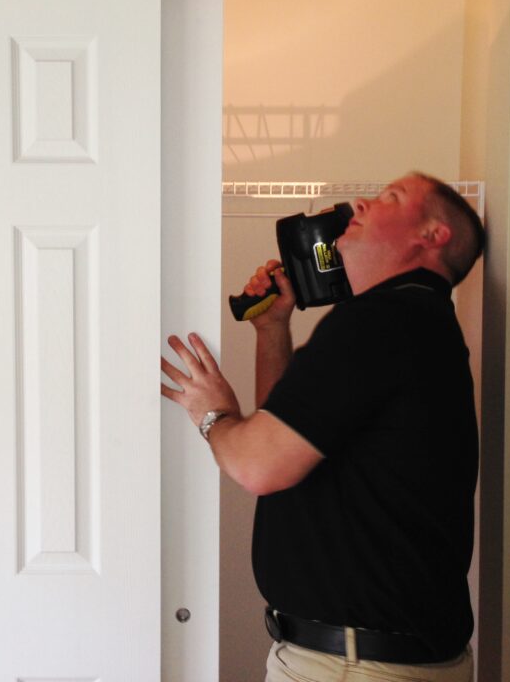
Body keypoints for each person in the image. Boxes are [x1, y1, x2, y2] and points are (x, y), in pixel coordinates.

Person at [160, 172, 485, 682]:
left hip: (354, 667)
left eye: (390, 198)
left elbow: (258, 465)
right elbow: (288, 437)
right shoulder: (414, 324)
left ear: (432, 235)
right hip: (366, 661)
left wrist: (214, 415)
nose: (361, 202)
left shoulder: (382, 322)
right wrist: (273, 328)